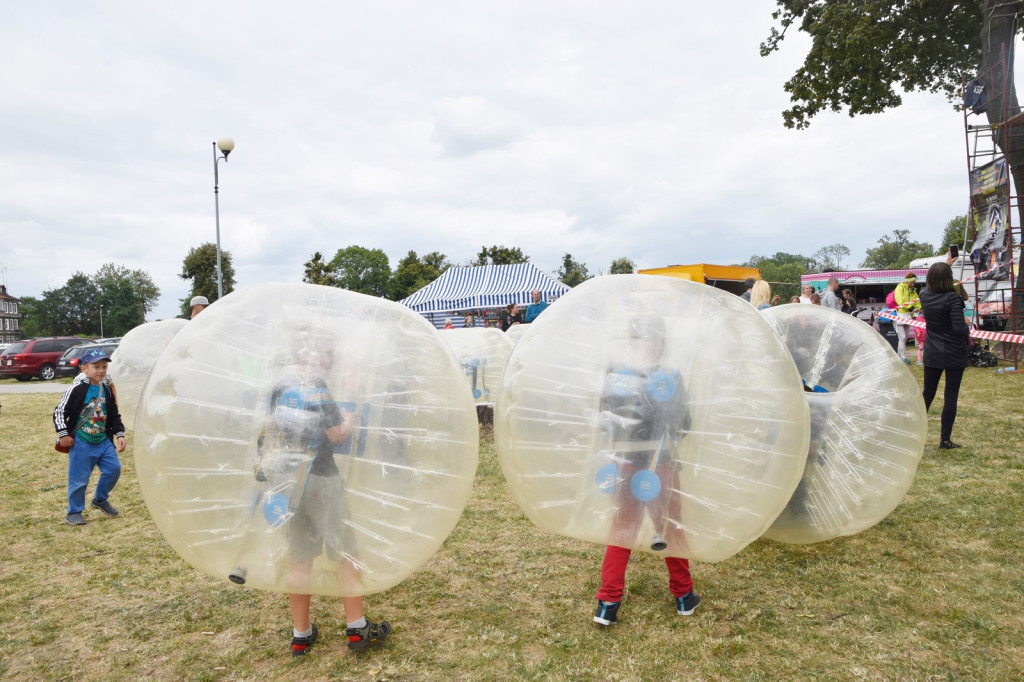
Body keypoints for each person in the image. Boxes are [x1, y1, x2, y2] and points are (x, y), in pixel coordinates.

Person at [257, 329, 390, 656]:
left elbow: (270, 430)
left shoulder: (278, 385)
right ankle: (357, 629)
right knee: (347, 551)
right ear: (315, 355)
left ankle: (301, 634)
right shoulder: (317, 387)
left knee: (300, 557)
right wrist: (349, 420)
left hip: (288, 482)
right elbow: (335, 435)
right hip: (321, 479)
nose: (331, 360)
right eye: (328, 354)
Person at [593, 314, 700, 626]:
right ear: (662, 344)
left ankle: (608, 604)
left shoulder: (614, 375)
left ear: (629, 342)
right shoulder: (672, 376)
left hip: (624, 463)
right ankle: (683, 596)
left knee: (622, 528)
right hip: (660, 464)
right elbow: (684, 426)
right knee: (670, 528)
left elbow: (605, 416)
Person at [52, 348, 126, 526]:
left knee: (114, 469)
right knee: (79, 479)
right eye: (96, 367)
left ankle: (100, 499)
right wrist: (63, 434)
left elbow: (114, 415)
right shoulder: (77, 389)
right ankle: (74, 512)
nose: (101, 370)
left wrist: (119, 433)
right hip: (81, 442)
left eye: (104, 367)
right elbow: (60, 411)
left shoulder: (107, 390)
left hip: (103, 441)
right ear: (84, 369)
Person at [919, 263, 971, 449]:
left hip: (933, 350)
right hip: (953, 352)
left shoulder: (924, 295)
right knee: (950, 396)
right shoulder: (953, 299)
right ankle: (945, 439)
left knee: (927, 394)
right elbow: (958, 328)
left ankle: (915, 434)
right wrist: (967, 325)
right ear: (949, 278)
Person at [893, 273, 922, 364]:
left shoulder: (913, 291)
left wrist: (920, 308)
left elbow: (917, 301)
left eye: (914, 283)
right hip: (901, 316)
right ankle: (904, 358)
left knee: (904, 339)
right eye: (912, 283)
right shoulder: (900, 287)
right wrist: (911, 308)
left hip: (909, 316)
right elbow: (900, 300)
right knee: (902, 337)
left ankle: (899, 357)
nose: (913, 284)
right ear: (907, 281)